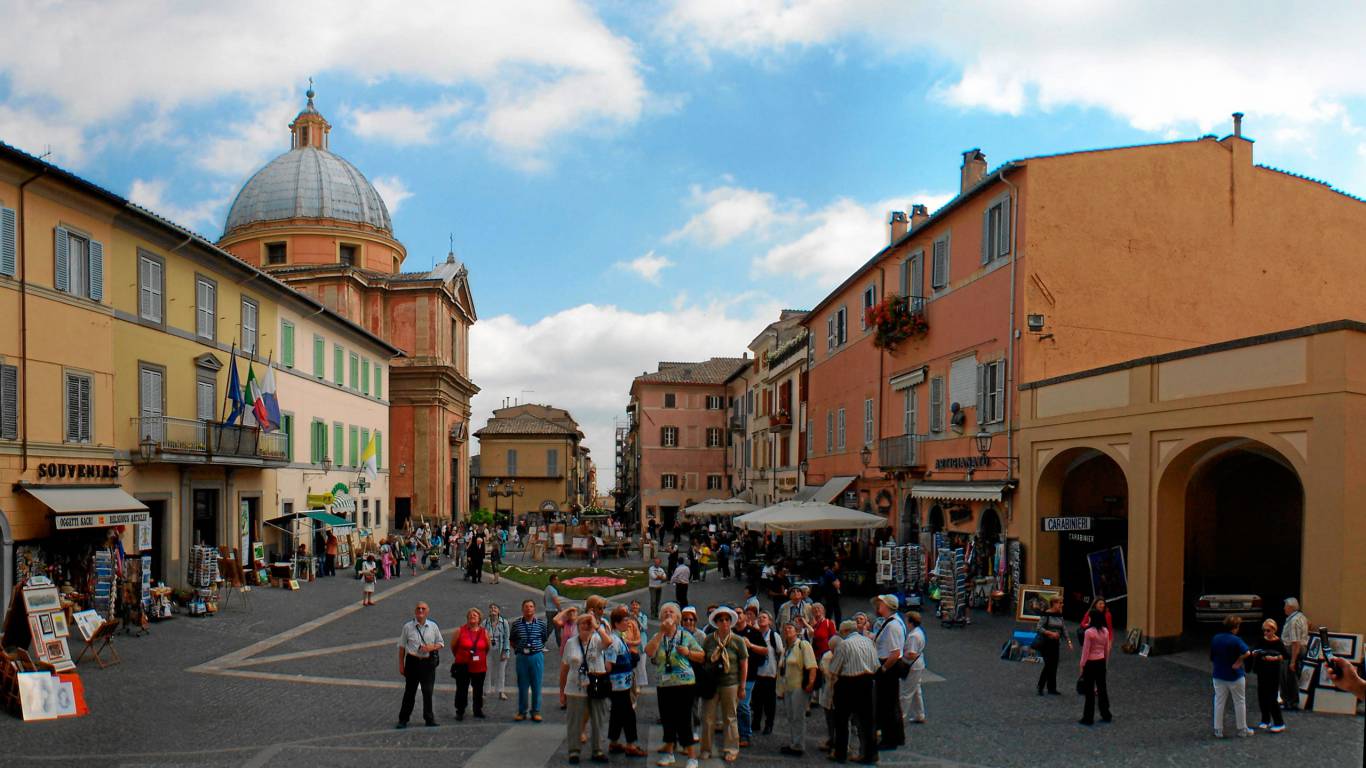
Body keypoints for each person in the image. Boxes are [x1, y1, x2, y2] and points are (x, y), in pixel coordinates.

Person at [648, 602, 704, 768]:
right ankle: (669, 753)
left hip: (684, 683)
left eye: (671, 612)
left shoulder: (685, 636)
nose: (668, 615)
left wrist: (688, 653)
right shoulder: (658, 637)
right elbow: (650, 652)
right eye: (665, 612)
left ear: (677, 617)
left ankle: (692, 756)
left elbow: (701, 655)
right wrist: (660, 633)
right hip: (664, 684)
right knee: (667, 718)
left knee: (684, 719)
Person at [561, 612, 613, 764]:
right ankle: (574, 751)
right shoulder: (571, 643)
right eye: (582, 623)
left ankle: (598, 749)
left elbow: (608, 642)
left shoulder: (597, 640)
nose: (585, 626)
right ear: (578, 626)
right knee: (574, 720)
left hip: (596, 684)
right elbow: (564, 666)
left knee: (598, 718)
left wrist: (597, 627)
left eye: (588, 624)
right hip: (575, 686)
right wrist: (561, 691)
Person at [701, 607, 749, 763]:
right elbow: (703, 659)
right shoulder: (709, 640)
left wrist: (742, 686)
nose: (724, 623)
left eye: (727, 620)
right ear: (716, 622)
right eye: (720, 620)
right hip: (712, 683)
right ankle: (706, 748)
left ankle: (731, 748)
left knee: (730, 717)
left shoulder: (737, 641)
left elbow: (743, 663)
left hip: (730, 682)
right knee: (708, 717)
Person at [829, 619, 879, 764]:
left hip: (848, 684)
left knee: (842, 721)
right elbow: (876, 666)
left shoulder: (844, 645)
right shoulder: (869, 642)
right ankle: (869, 754)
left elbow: (834, 669)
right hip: (867, 683)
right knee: (867, 722)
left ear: (845, 632)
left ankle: (841, 753)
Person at [606, 607, 647, 757]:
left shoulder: (619, 638)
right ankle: (631, 744)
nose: (627, 623)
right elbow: (608, 664)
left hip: (623, 682)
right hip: (618, 684)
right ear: (616, 623)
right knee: (629, 714)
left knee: (617, 714)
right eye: (624, 620)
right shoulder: (614, 641)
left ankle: (614, 741)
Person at [396, 602, 444, 729]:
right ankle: (403, 719)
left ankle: (429, 718)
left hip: (428, 663)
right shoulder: (407, 627)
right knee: (409, 692)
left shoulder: (433, 626)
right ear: (415, 611)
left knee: (427, 692)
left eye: (423, 608)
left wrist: (430, 647)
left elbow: (441, 643)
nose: (420, 610)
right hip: (412, 661)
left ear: (427, 611)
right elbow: (401, 647)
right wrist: (401, 664)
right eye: (418, 608)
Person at [778, 621, 818, 756]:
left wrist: (810, 684)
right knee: (791, 716)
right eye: (785, 628)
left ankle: (798, 746)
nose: (787, 630)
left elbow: (812, 665)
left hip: (800, 687)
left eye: (790, 628)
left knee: (798, 716)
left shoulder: (803, 645)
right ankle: (793, 742)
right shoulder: (786, 649)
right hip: (788, 687)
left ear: (797, 631)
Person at [871, 595, 905, 749]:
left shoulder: (892, 626)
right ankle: (894, 736)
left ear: (887, 606)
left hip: (888, 667)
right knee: (890, 703)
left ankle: (889, 739)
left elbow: (895, 653)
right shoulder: (893, 622)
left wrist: (883, 669)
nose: (879, 606)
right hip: (889, 665)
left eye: (881, 604)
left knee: (887, 704)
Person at [1211, 615, 1253, 738]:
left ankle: (1218, 729)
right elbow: (1247, 652)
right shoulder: (1236, 640)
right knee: (1239, 701)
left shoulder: (1216, 638)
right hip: (1235, 675)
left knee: (1219, 701)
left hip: (1218, 674)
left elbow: (1212, 657)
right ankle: (1242, 729)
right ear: (1235, 627)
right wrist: (1239, 660)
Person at [510, 598, 550, 722]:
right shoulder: (516, 624)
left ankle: (536, 711)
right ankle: (522, 711)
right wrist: (519, 649)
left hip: (536, 656)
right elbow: (512, 640)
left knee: (536, 684)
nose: (529, 608)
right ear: (522, 609)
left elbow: (543, 638)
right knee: (522, 685)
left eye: (531, 606)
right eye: (526, 606)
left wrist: (536, 648)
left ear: (534, 609)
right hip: (522, 657)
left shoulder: (541, 624)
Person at [451, 607, 491, 720]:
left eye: (475, 615)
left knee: (478, 690)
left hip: (479, 667)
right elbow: (453, 647)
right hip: (463, 665)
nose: (473, 616)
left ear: (479, 619)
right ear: (467, 618)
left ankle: (478, 709)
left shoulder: (484, 632)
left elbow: (487, 648)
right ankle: (460, 710)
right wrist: (460, 657)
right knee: (461, 689)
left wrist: (480, 657)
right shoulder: (460, 631)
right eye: (470, 615)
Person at [1077, 606, 1113, 726]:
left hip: (1090, 663)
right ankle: (1105, 713)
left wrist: (1082, 665)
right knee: (1102, 689)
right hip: (1101, 661)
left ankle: (1088, 717)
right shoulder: (1105, 631)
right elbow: (1106, 649)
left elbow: (1085, 651)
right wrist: (1105, 662)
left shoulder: (1089, 632)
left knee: (1089, 691)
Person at [751, 611, 784, 736]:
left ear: (770, 621)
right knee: (756, 699)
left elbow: (780, 652)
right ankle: (756, 722)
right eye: (759, 618)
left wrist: (779, 670)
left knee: (769, 701)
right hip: (756, 672)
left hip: (770, 673)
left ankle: (769, 724)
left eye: (764, 617)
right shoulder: (755, 634)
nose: (761, 619)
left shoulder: (774, 636)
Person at [1252, 618, 1287, 732]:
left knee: (1272, 696)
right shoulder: (1261, 640)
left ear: (1274, 630)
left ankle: (1279, 721)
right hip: (1262, 670)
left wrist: (1275, 658)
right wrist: (1256, 654)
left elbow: (1285, 655)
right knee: (1262, 695)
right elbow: (1254, 650)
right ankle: (1265, 719)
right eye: (1264, 630)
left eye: (1268, 630)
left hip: (1273, 671)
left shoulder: (1278, 642)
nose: (1266, 633)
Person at [1035, 596, 1069, 696]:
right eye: (1060, 603)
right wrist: (1050, 633)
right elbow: (1038, 628)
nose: (1062, 604)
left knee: (1054, 666)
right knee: (1048, 665)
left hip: (1055, 644)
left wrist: (1069, 640)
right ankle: (1040, 687)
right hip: (1046, 643)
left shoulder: (1059, 615)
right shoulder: (1046, 614)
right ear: (1054, 603)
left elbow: (1064, 628)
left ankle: (1052, 688)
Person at [1280, 597, 1309, 710]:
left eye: (1285, 606)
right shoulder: (1301, 617)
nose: (1284, 608)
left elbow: (1295, 642)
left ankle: (1289, 701)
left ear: (1291, 607)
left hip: (1291, 651)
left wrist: (1292, 661)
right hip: (1296, 650)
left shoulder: (1293, 621)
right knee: (1291, 676)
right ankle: (1291, 700)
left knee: (1287, 676)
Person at [817, 634, 842, 755]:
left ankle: (837, 742)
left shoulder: (839, 655)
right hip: (829, 690)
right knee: (830, 718)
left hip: (836, 692)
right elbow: (828, 673)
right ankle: (832, 739)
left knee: (837, 719)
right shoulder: (827, 657)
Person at [901, 611, 927, 725]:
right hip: (919, 664)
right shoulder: (919, 632)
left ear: (910, 621)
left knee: (906, 693)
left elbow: (911, 653)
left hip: (913, 666)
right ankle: (919, 714)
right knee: (916, 690)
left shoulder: (913, 636)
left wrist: (901, 654)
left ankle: (901, 717)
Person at [484, 603, 512, 701]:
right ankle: (486, 690)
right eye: (491, 608)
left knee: (501, 671)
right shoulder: (485, 623)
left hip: (500, 649)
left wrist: (506, 651)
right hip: (487, 649)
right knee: (486, 670)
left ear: (499, 611)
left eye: (495, 608)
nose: (493, 609)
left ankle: (501, 691)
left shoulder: (504, 623)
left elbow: (507, 638)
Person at [545, 575, 565, 645]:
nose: (558, 581)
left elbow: (544, 599)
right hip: (553, 611)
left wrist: (547, 606)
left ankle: (560, 644)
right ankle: (541, 643)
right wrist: (561, 611)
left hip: (548, 610)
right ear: (553, 581)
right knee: (550, 628)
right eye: (556, 580)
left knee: (557, 628)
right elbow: (556, 602)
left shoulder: (547, 588)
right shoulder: (553, 590)